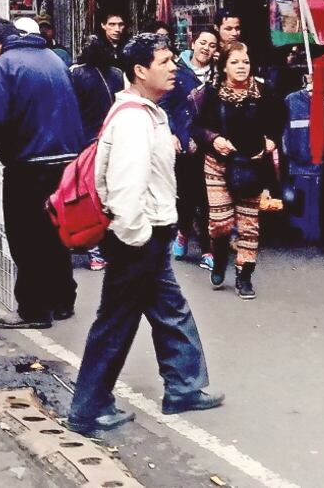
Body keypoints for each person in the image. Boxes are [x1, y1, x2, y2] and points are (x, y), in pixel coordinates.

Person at [66, 33, 223, 434]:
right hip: (138, 237)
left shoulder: (147, 112)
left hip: (149, 236)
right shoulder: (135, 119)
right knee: (116, 323)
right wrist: (135, 239)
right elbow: (124, 188)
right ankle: (88, 407)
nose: (174, 67)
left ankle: (184, 388)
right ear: (140, 71)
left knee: (171, 311)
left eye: (173, 59)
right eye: (165, 61)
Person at [0, 17, 84, 329]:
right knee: (55, 233)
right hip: (65, 162)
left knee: (26, 238)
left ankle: (34, 309)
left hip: (28, 163)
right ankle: (63, 301)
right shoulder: (53, 58)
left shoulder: (4, 67)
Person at [190, 42, 279, 299]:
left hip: (252, 165)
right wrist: (213, 138)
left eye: (246, 62)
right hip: (218, 165)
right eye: (235, 62)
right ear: (224, 66)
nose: (241, 67)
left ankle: (244, 276)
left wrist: (271, 139)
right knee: (220, 224)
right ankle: (219, 259)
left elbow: (277, 122)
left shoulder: (264, 92)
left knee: (249, 225)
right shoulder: (210, 93)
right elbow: (195, 127)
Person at [159, 28, 217, 269]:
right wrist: (173, 134)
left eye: (212, 45)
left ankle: (207, 249)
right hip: (185, 145)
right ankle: (183, 232)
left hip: (210, 144)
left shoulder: (217, 74)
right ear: (193, 43)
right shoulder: (178, 71)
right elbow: (165, 104)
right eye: (202, 42)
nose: (206, 48)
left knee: (207, 199)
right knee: (185, 197)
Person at [70, 35, 126, 271]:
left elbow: (71, 108)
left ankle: (95, 253)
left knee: (90, 198)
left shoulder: (75, 73)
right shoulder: (117, 74)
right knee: (112, 195)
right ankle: (115, 248)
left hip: (86, 142)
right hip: (113, 140)